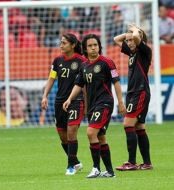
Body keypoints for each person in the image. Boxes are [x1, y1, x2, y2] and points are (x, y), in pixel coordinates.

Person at [63, 34, 126, 178]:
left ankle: (96, 168)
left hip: (104, 103)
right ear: (85, 49)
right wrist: (69, 99)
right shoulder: (84, 66)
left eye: (95, 45)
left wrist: (121, 102)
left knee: (91, 133)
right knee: (101, 137)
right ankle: (110, 171)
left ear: (99, 46)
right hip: (92, 105)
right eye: (90, 46)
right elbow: (79, 84)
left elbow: (116, 82)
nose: (93, 48)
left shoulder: (107, 62)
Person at [41, 33, 86, 175]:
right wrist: (45, 96)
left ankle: (70, 166)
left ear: (73, 45)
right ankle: (76, 162)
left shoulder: (81, 61)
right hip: (59, 101)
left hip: (76, 101)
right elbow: (51, 79)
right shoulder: (57, 61)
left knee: (72, 131)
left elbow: (84, 85)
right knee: (62, 135)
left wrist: (87, 103)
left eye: (64, 43)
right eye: (60, 42)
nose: (61, 45)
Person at [114, 24, 153, 170]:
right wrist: (129, 33)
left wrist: (136, 30)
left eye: (131, 40)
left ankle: (131, 162)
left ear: (139, 39)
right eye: (128, 40)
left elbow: (137, 37)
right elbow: (116, 39)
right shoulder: (132, 53)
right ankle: (147, 163)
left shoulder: (144, 51)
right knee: (139, 127)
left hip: (140, 92)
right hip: (133, 93)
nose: (129, 42)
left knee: (128, 124)